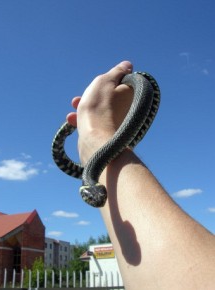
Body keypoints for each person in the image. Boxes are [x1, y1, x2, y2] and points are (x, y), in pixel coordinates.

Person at [66, 61, 215, 290]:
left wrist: (95, 133)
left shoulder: (91, 178)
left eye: (96, 197)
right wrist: (97, 134)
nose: (99, 200)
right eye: (94, 199)